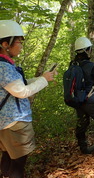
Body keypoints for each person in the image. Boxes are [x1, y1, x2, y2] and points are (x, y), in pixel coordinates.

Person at [0, 20, 55, 178]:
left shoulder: (5, 65)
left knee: (8, 158)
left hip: (5, 123)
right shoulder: (4, 67)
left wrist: (41, 77)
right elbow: (22, 91)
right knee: (18, 165)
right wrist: (43, 80)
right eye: (18, 42)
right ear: (5, 44)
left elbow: (16, 85)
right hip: (15, 123)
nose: (21, 46)